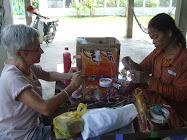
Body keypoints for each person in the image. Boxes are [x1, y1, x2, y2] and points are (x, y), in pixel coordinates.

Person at [0, 24, 83, 140]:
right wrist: (72, 87)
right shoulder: (12, 78)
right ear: (19, 54)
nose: (42, 51)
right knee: (77, 131)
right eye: (37, 49)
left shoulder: (25, 66)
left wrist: (70, 75)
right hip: (21, 135)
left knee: (75, 116)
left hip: (33, 121)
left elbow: (48, 75)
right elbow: (45, 108)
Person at [122, 13, 187, 129]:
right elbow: (143, 68)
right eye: (152, 38)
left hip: (171, 112)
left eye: (156, 37)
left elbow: (180, 95)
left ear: (169, 33)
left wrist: (149, 80)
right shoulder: (158, 53)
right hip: (155, 101)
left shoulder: (184, 61)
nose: (153, 42)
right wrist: (130, 63)